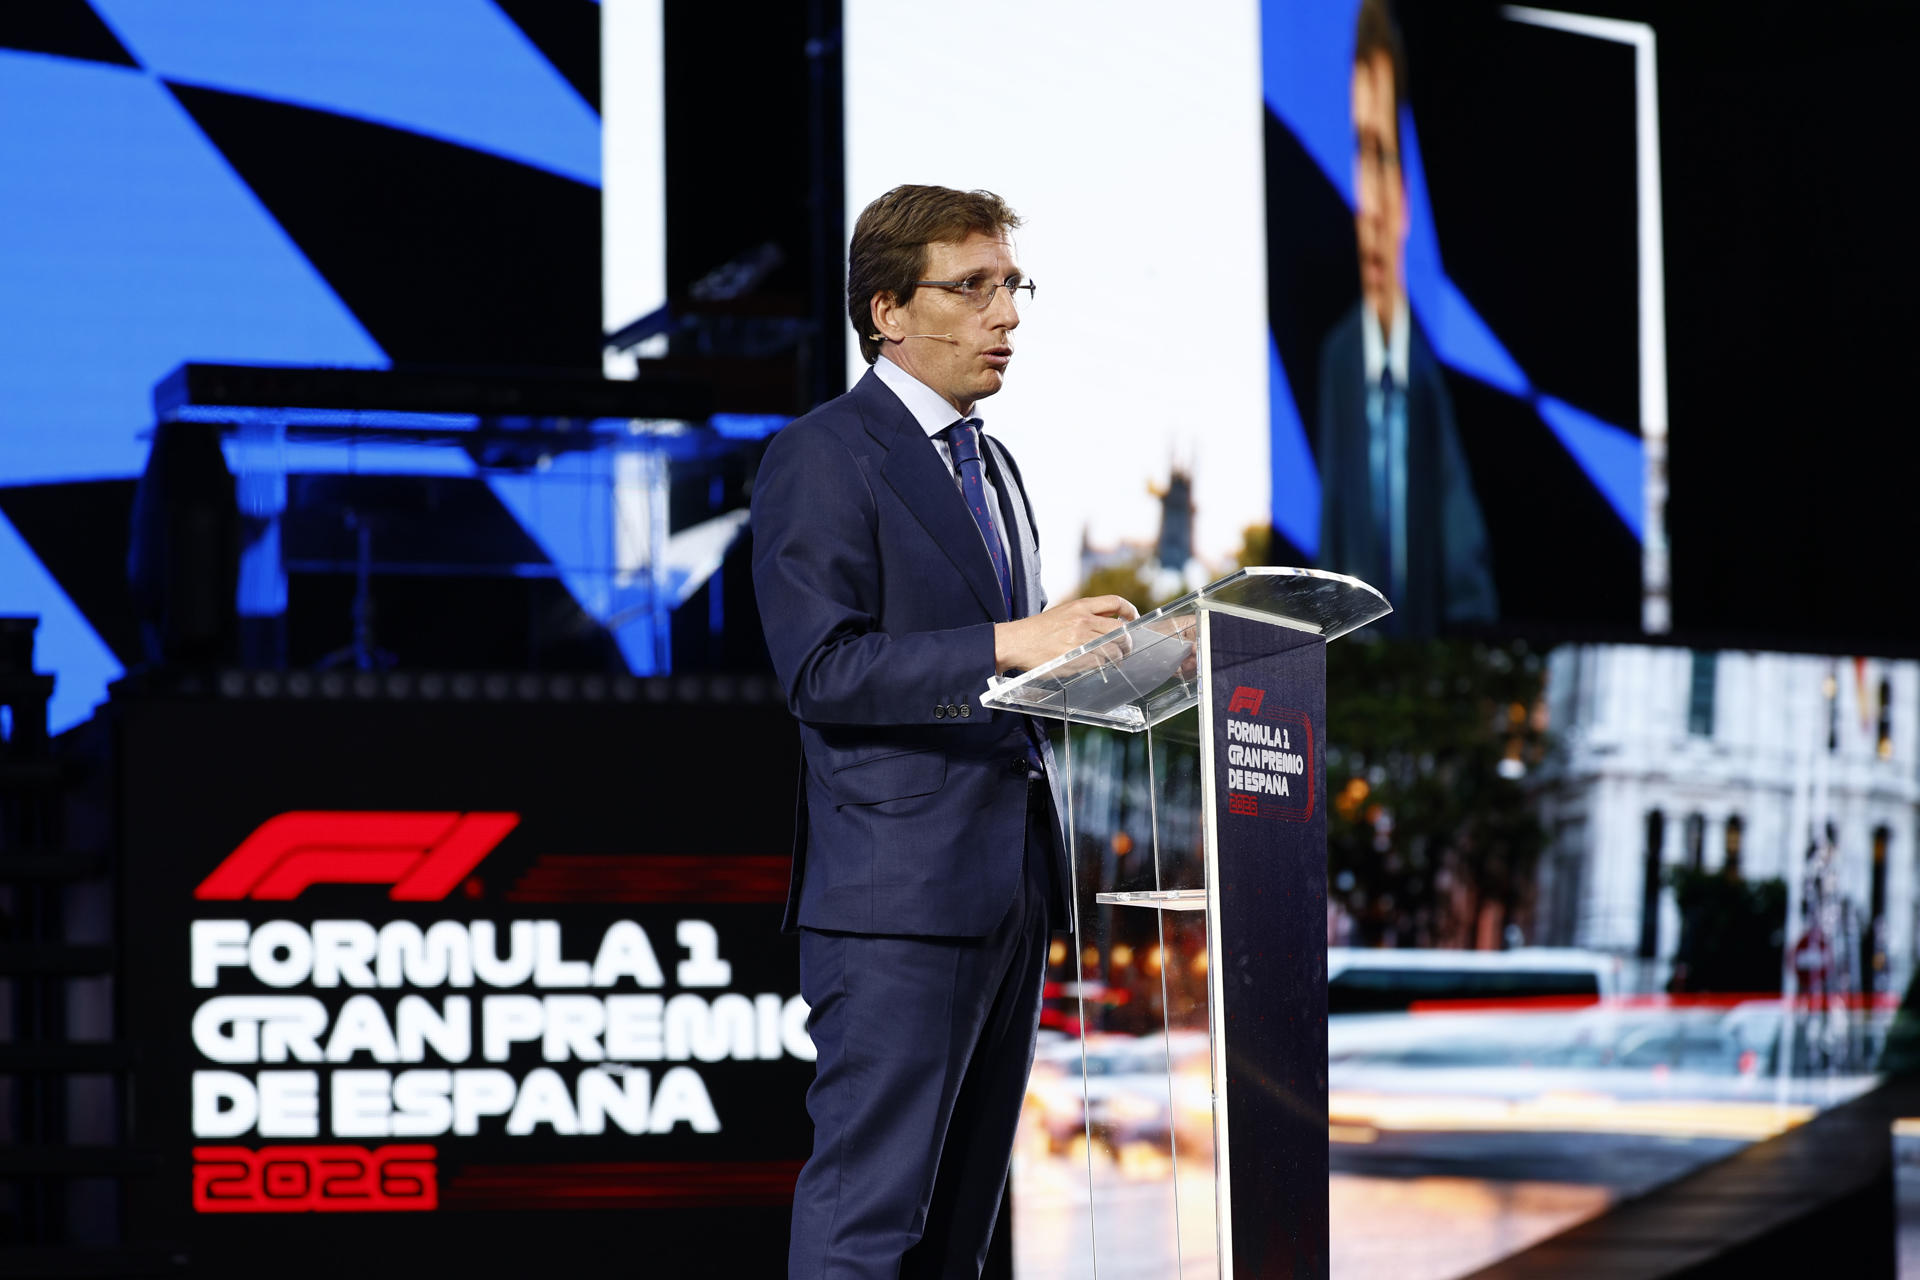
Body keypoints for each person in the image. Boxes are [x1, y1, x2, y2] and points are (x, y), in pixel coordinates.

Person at [751, 184, 1136, 1279]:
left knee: (960, 1233)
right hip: (898, 898)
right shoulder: (824, 454)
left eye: (1013, 284)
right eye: (973, 287)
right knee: (869, 1222)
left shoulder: (995, 465)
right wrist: (1014, 640)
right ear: (887, 310)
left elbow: (1009, 666)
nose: (1005, 313)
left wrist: (1105, 669)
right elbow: (822, 669)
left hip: (1011, 884)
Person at [1317, 0, 1497, 636]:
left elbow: (1470, 582)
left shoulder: (1450, 372)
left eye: (1381, 156)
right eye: (1354, 157)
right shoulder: (1337, 359)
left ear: (1410, 188)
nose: (1364, 199)